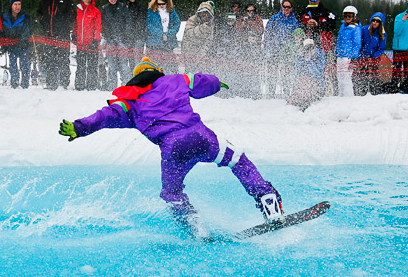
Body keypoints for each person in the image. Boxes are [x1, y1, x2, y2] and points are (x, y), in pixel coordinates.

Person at [58, 57, 284, 224]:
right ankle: (267, 198)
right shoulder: (176, 80)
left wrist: (79, 128)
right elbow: (203, 81)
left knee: (172, 193)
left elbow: (103, 117)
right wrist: (218, 83)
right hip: (203, 139)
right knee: (237, 160)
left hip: (173, 151)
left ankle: (193, 223)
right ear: (157, 71)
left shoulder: (129, 101)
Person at [36, 0, 74, 90]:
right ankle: (51, 83)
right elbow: (39, 13)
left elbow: (72, 14)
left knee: (63, 59)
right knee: (49, 60)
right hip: (49, 35)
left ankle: (64, 84)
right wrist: (42, 21)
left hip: (62, 35)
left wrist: (65, 24)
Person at [299, 0, 337, 95]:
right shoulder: (304, 12)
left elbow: (332, 25)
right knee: (310, 70)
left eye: (315, 0)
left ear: (319, 0)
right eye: (311, 0)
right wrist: (307, 25)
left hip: (325, 47)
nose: (313, 2)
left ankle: (330, 93)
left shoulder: (327, 12)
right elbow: (299, 27)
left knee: (327, 71)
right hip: (309, 46)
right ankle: (311, 91)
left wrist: (318, 24)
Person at [263, 0, 300, 98]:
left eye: (288, 7)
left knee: (286, 74)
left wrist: (294, 50)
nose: (286, 9)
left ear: (291, 9)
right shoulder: (274, 18)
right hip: (274, 50)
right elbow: (267, 34)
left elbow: (297, 37)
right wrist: (267, 48)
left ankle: (287, 95)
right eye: (284, 6)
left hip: (287, 52)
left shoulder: (294, 22)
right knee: (272, 74)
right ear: (281, 7)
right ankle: (271, 94)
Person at [100, 0, 131, 89]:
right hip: (110, 40)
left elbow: (128, 22)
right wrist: (107, 35)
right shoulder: (104, 8)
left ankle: (125, 85)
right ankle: (112, 86)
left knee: (123, 64)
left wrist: (125, 36)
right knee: (112, 64)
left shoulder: (123, 7)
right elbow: (103, 24)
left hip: (122, 39)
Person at [1, 0, 32, 89]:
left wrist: (23, 40)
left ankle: (25, 85)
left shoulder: (25, 17)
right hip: (11, 46)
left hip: (23, 45)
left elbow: (27, 30)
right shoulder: (5, 16)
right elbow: (2, 31)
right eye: (15, 4)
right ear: (11, 5)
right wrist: (4, 43)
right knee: (13, 66)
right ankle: (14, 84)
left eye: (19, 4)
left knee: (25, 66)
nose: (17, 7)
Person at [73, 0, 102, 91]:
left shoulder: (96, 11)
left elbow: (98, 27)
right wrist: (74, 34)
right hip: (80, 44)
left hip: (91, 44)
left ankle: (92, 85)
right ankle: (79, 84)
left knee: (92, 66)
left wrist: (96, 39)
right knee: (80, 65)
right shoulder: (78, 10)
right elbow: (76, 24)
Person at [235, 3, 265, 98]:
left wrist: (250, 23)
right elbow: (238, 30)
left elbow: (261, 30)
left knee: (255, 70)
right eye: (248, 11)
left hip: (255, 48)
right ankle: (244, 90)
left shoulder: (258, 19)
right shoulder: (242, 19)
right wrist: (244, 23)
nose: (250, 13)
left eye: (252, 11)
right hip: (244, 48)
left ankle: (255, 91)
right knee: (244, 69)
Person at [354, 12, 388, 95]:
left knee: (374, 75)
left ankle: (375, 92)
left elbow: (381, 48)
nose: (375, 22)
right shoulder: (364, 30)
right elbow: (359, 43)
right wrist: (359, 55)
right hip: (362, 57)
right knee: (362, 75)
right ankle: (361, 92)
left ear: (380, 23)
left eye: (377, 21)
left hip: (374, 59)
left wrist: (373, 57)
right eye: (373, 20)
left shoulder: (383, 34)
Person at [287, 39, 327, 110]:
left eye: (311, 48)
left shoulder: (320, 56)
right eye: (307, 48)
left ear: (314, 47)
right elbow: (297, 71)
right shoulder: (303, 56)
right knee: (300, 87)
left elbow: (317, 74)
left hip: (317, 85)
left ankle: (305, 103)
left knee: (306, 87)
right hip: (304, 85)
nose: (309, 51)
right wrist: (300, 58)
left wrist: (309, 62)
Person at [335, 5, 362, 97]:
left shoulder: (356, 28)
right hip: (340, 55)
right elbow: (339, 40)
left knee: (346, 78)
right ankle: (341, 95)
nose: (347, 18)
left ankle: (348, 97)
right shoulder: (343, 26)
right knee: (340, 77)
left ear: (354, 17)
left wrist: (354, 57)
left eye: (350, 16)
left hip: (348, 57)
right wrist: (336, 52)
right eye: (346, 16)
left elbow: (357, 44)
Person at [181, 1, 215, 73]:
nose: (204, 15)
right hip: (189, 51)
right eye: (202, 12)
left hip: (200, 55)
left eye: (206, 13)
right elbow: (189, 34)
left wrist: (201, 55)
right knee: (189, 75)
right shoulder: (192, 20)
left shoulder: (210, 24)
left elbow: (208, 41)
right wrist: (201, 28)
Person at [124, 0, 146, 64]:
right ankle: (132, 75)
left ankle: (138, 75)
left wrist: (137, 33)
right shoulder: (124, 7)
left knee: (137, 60)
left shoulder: (141, 6)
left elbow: (142, 21)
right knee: (130, 60)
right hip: (128, 38)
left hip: (138, 37)